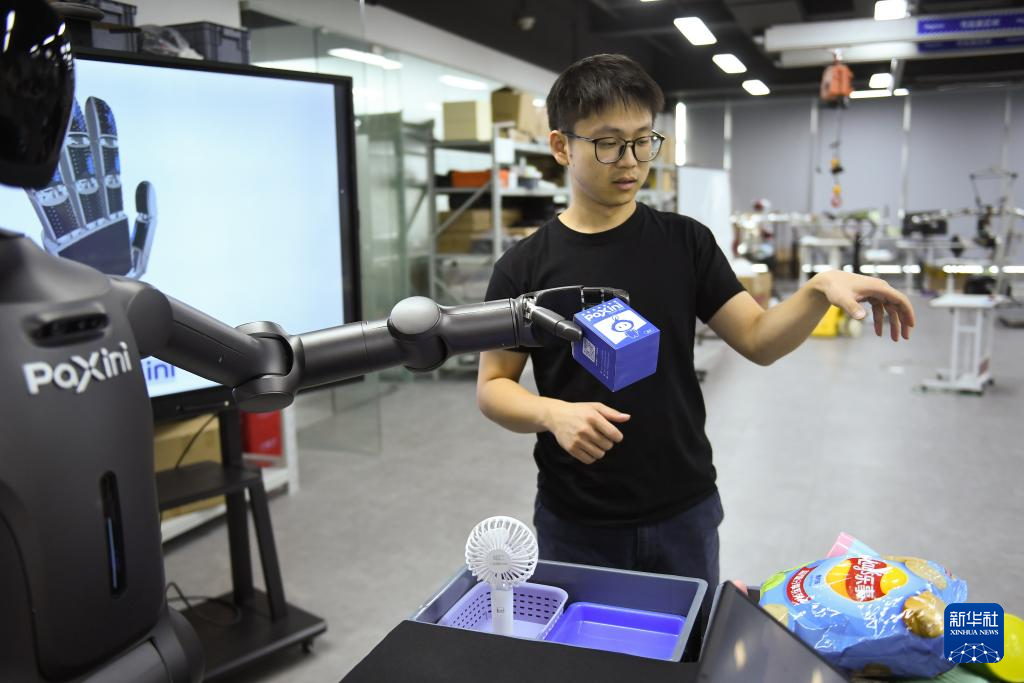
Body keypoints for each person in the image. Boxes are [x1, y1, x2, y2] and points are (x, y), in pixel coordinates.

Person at [476, 53, 915, 591]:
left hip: (683, 507)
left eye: (643, 140)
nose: (631, 161)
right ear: (562, 146)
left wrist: (817, 289)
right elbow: (493, 387)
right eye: (609, 143)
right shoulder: (523, 267)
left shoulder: (685, 243)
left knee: (692, 643)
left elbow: (758, 340)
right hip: (577, 517)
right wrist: (552, 413)